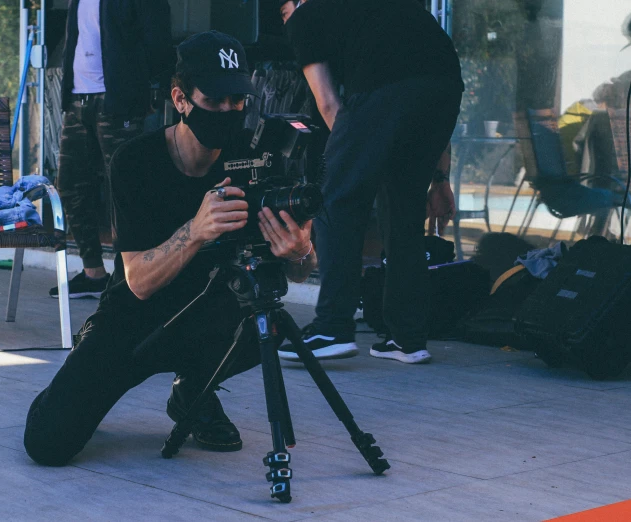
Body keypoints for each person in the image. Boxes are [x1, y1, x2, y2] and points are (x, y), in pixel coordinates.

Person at [25, 31, 315, 466]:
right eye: (214, 99)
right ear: (180, 99)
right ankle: (74, 378)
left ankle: (193, 392)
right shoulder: (136, 162)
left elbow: (296, 273)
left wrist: (299, 252)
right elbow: (138, 282)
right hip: (136, 320)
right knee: (48, 443)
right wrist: (197, 230)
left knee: (268, 328)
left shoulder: (253, 157)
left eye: (237, 101)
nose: (227, 111)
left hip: (212, 314)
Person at [277, 0, 463, 364]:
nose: (284, 21)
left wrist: (357, 158)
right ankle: (407, 338)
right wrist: (439, 178)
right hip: (446, 82)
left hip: (387, 82)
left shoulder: (304, 17)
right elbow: (421, 93)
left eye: (282, 12)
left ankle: (332, 327)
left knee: (335, 197)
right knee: (404, 207)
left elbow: (329, 105)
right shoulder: (370, 11)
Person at [49, 0, 174, 299]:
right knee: (69, 185)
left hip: (118, 100)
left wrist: (146, 86)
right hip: (79, 99)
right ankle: (93, 272)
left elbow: (158, 40)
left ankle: (129, 275)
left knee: (126, 188)